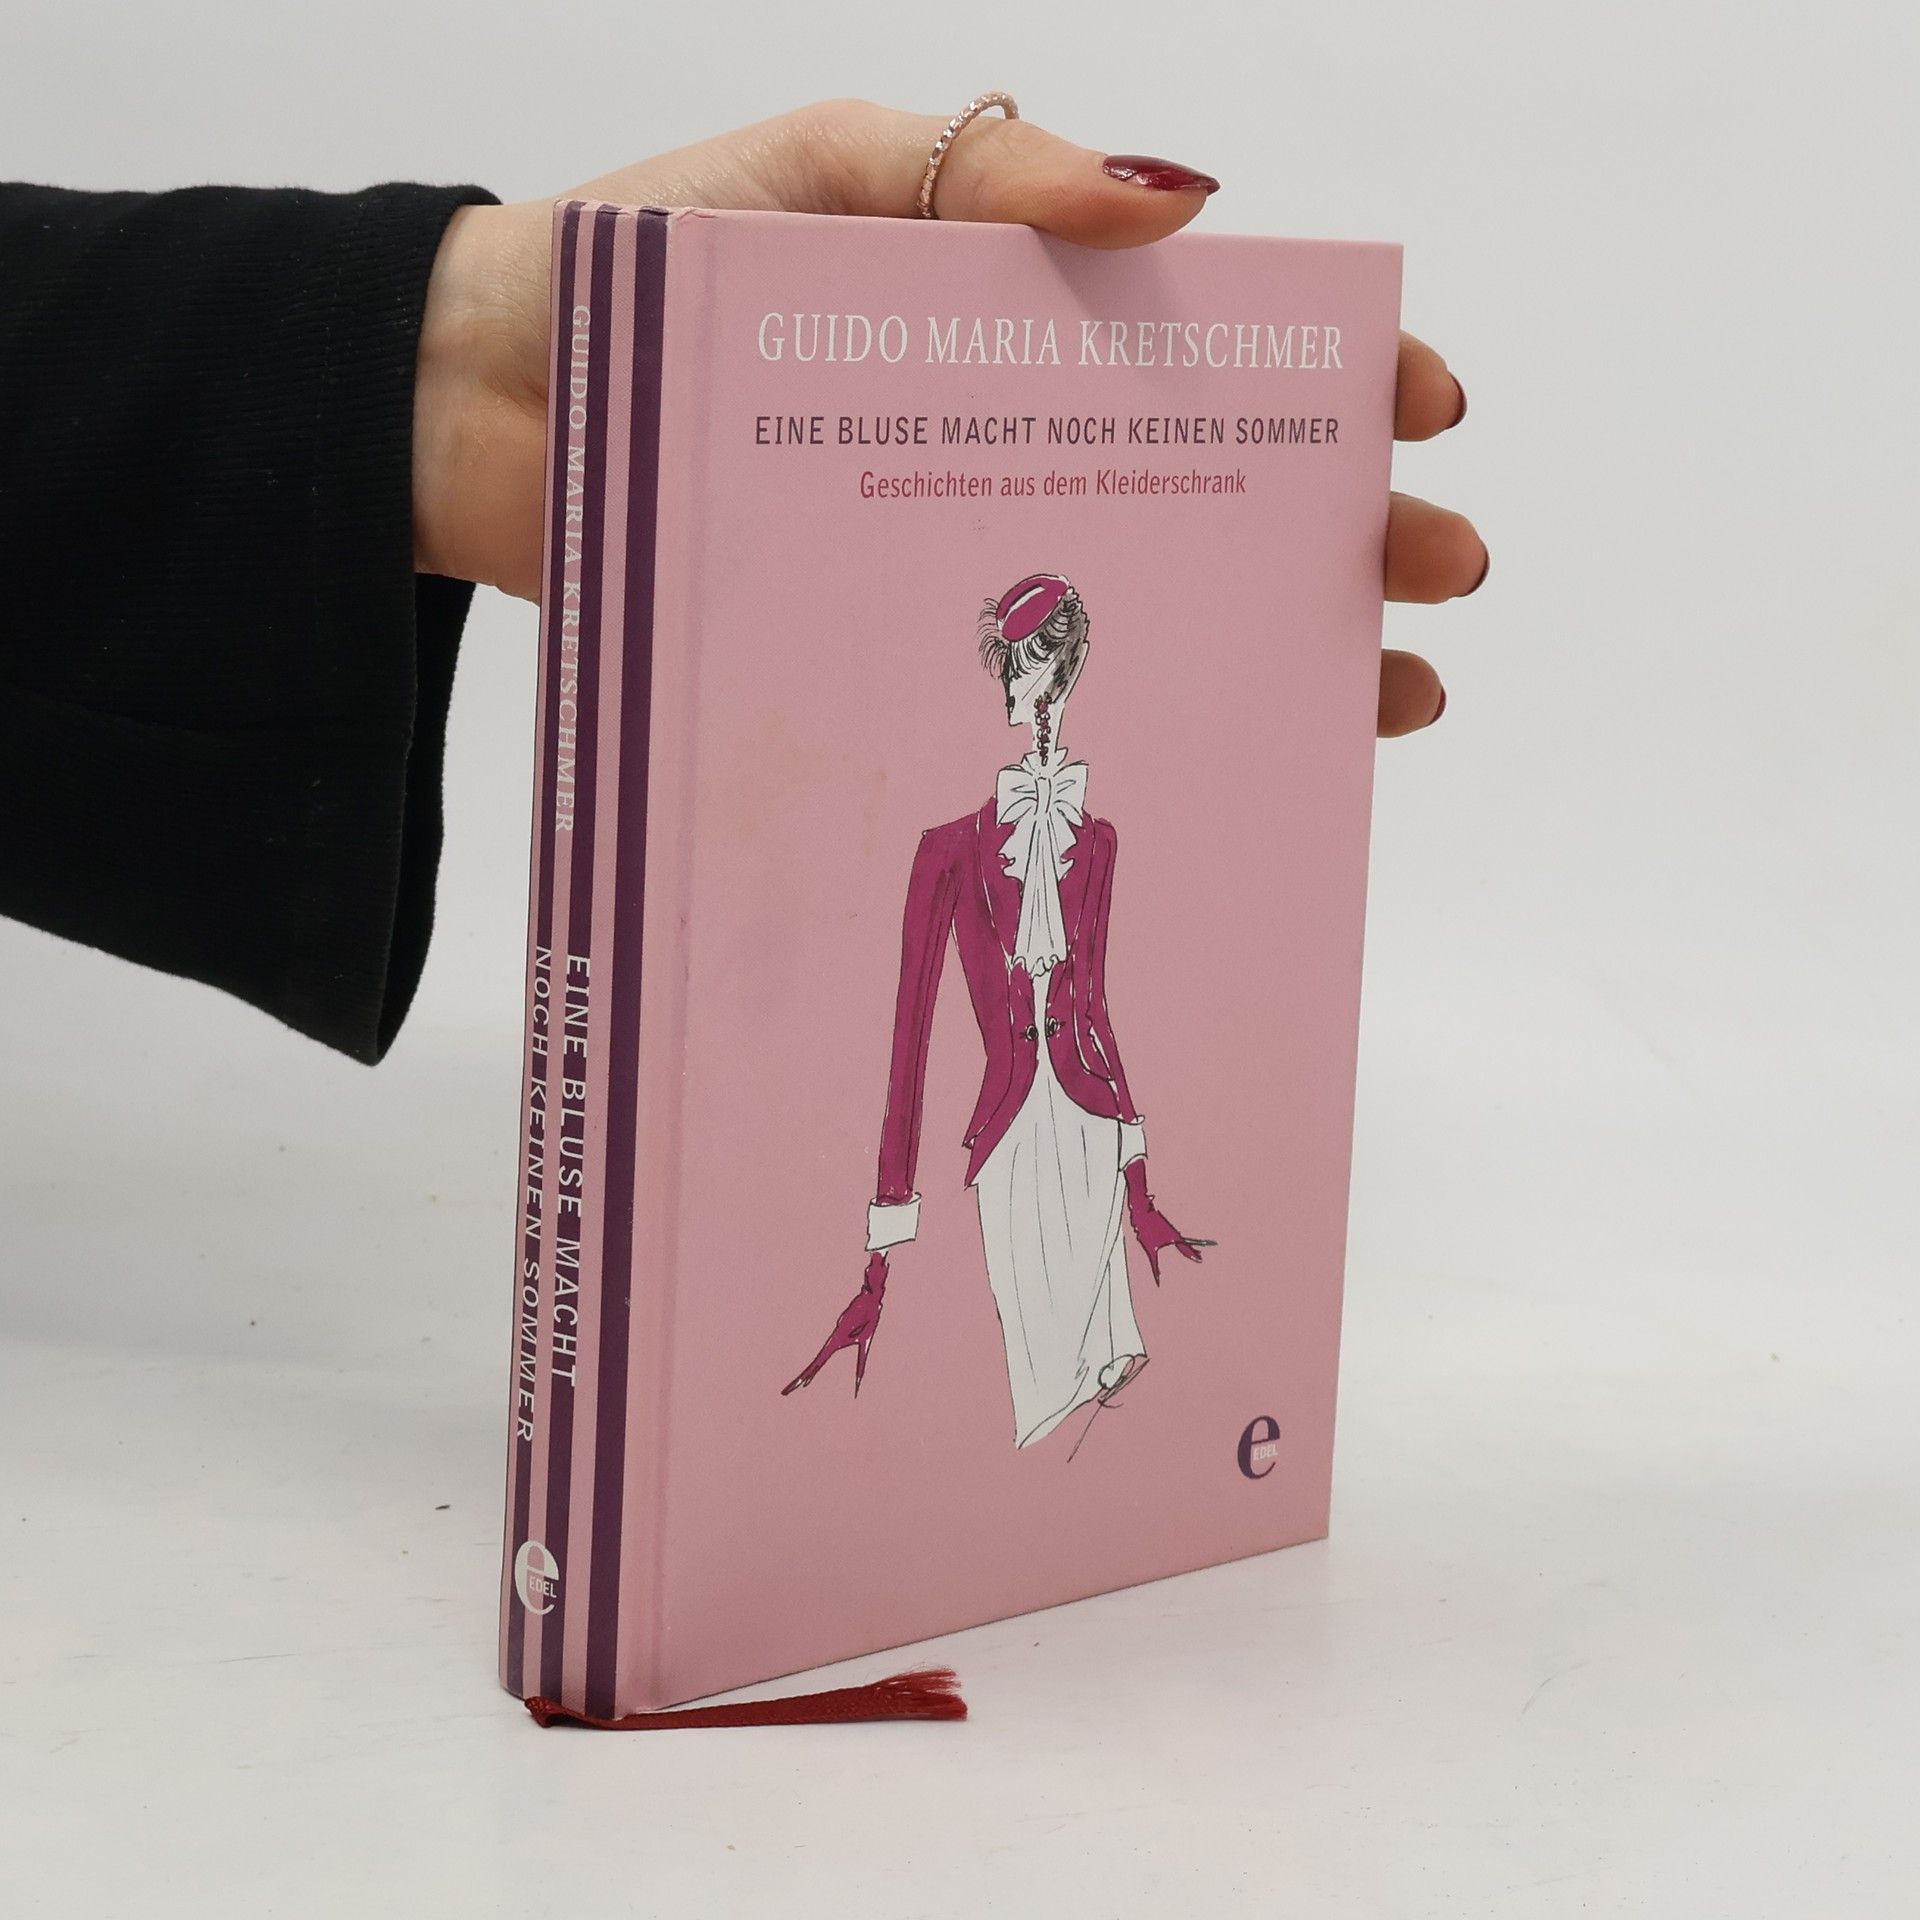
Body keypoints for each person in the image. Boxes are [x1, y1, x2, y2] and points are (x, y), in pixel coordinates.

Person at [0, 98, 1486, 1067]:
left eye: (1055, 661)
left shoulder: (1096, 831)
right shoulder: (950, 846)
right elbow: (908, 1044)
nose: (1040, 686)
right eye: (1026, 660)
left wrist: (422, 360)